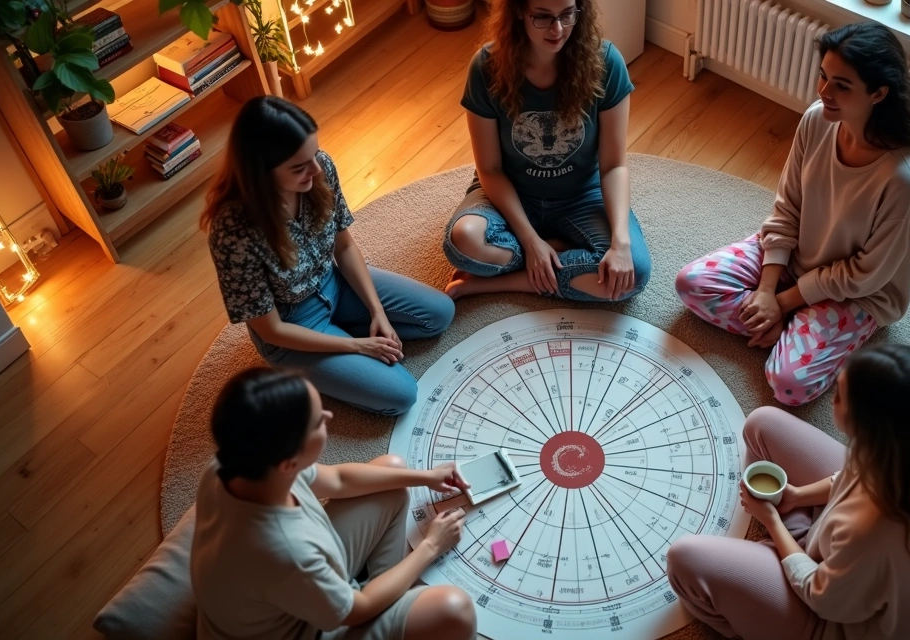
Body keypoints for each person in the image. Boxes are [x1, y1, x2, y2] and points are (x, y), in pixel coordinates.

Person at [675, 21, 910, 406]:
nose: (824, 92)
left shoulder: (905, 180)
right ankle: (788, 330)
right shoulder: (817, 119)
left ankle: (792, 329)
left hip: (855, 294)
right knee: (690, 284)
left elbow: (865, 276)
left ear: (879, 93)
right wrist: (766, 290)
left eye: (841, 86)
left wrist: (782, 303)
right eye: (823, 77)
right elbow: (787, 207)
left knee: (789, 385)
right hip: (794, 258)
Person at [667, 344, 910, 640]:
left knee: (684, 559)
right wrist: (798, 496)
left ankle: (765, 596)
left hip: (836, 622)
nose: (831, 398)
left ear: (866, 426)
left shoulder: (867, 529)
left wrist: (772, 522)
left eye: (839, 395)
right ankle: (797, 541)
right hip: (849, 566)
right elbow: (851, 476)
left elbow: (820, 595)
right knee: (761, 423)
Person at [202, 96, 455, 416]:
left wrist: (377, 311)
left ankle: (346, 337)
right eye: (299, 166)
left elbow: (344, 247)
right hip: (292, 324)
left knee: (440, 313)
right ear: (261, 172)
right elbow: (271, 330)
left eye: (315, 154)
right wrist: (358, 345)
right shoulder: (232, 230)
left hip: (333, 282)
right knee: (401, 396)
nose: (316, 168)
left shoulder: (320, 167)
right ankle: (319, 357)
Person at [190, 367, 477, 640]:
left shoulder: (235, 465)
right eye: (318, 421)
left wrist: (425, 477)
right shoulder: (287, 551)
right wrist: (431, 546)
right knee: (455, 610)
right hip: (304, 630)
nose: (329, 414)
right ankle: (396, 594)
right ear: (289, 463)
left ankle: (393, 589)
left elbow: (338, 480)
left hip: (293, 593)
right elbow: (358, 609)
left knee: (392, 474)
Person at [442, 0, 652, 302]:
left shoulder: (606, 62)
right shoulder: (485, 67)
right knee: (464, 241)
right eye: (542, 17)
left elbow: (614, 166)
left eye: (567, 15)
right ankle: (555, 246)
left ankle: (496, 282)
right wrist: (530, 242)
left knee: (633, 274)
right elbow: (490, 169)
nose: (557, 29)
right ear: (518, 11)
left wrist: (620, 242)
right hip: (512, 194)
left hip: (581, 195)